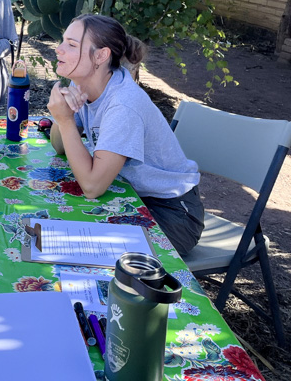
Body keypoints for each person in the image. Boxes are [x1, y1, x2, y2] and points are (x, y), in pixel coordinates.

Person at [47, 14, 204, 256]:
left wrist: (66, 121)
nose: (59, 49)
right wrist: (62, 117)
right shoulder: (88, 86)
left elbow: (92, 187)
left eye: (71, 44)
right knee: (58, 224)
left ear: (101, 55)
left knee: (81, 248)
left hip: (173, 214)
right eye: (62, 41)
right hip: (131, 196)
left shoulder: (123, 105)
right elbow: (59, 147)